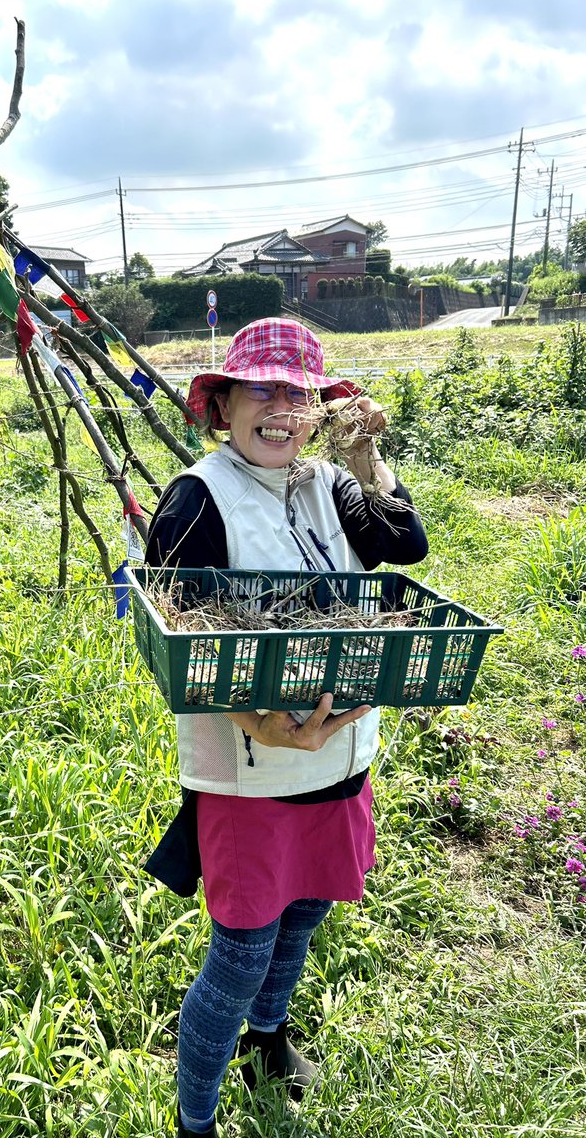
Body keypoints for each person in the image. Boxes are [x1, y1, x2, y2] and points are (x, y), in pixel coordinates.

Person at [143, 318, 428, 1137]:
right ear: (223, 405)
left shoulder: (329, 484)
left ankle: (267, 1042)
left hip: (341, 753)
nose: (280, 410)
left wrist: (366, 455)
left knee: (304, 915)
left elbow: (405, 544)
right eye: (260, 390)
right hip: (253, 773)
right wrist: (259, 724)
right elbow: (176, 640)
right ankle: (195, 1120)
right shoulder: (199, 497)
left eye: (299, 395)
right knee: (239, 955)